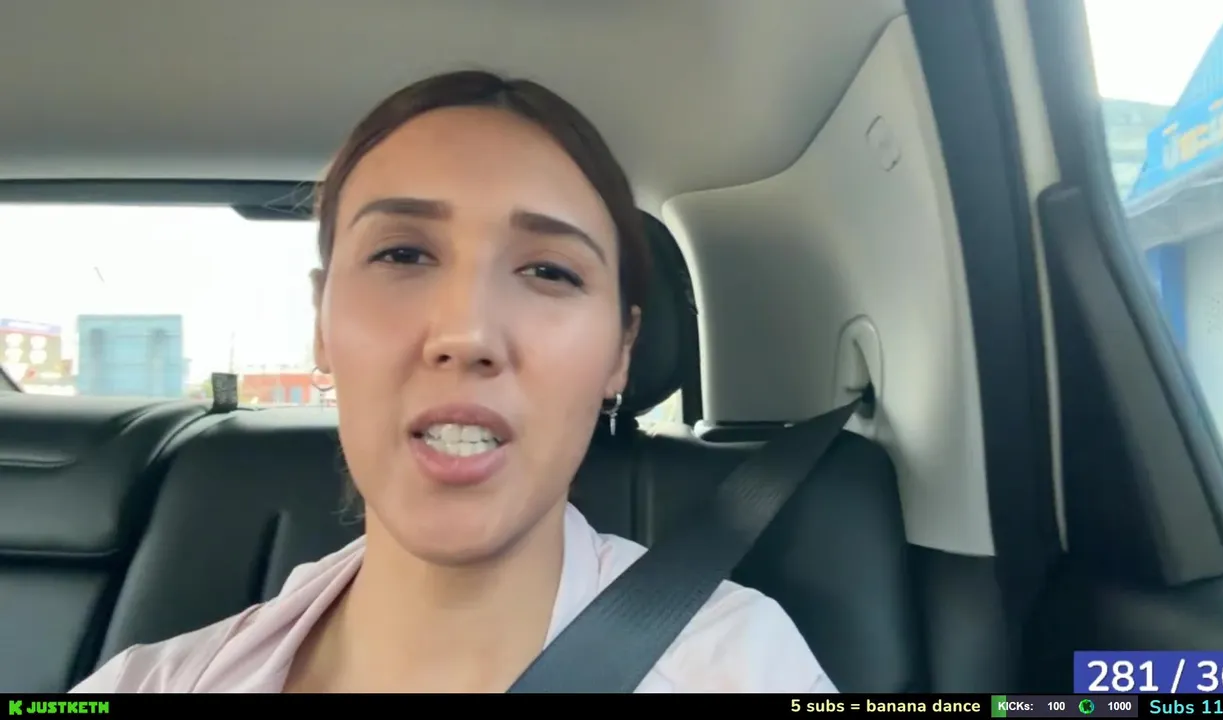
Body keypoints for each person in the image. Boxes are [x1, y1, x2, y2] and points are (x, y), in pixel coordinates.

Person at [71, 71, 836, 693]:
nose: (466, 334)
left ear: (619, 352)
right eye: (402, 255)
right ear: (322, 323)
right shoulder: (148, 682)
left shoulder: (742, 667)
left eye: (549, 271)